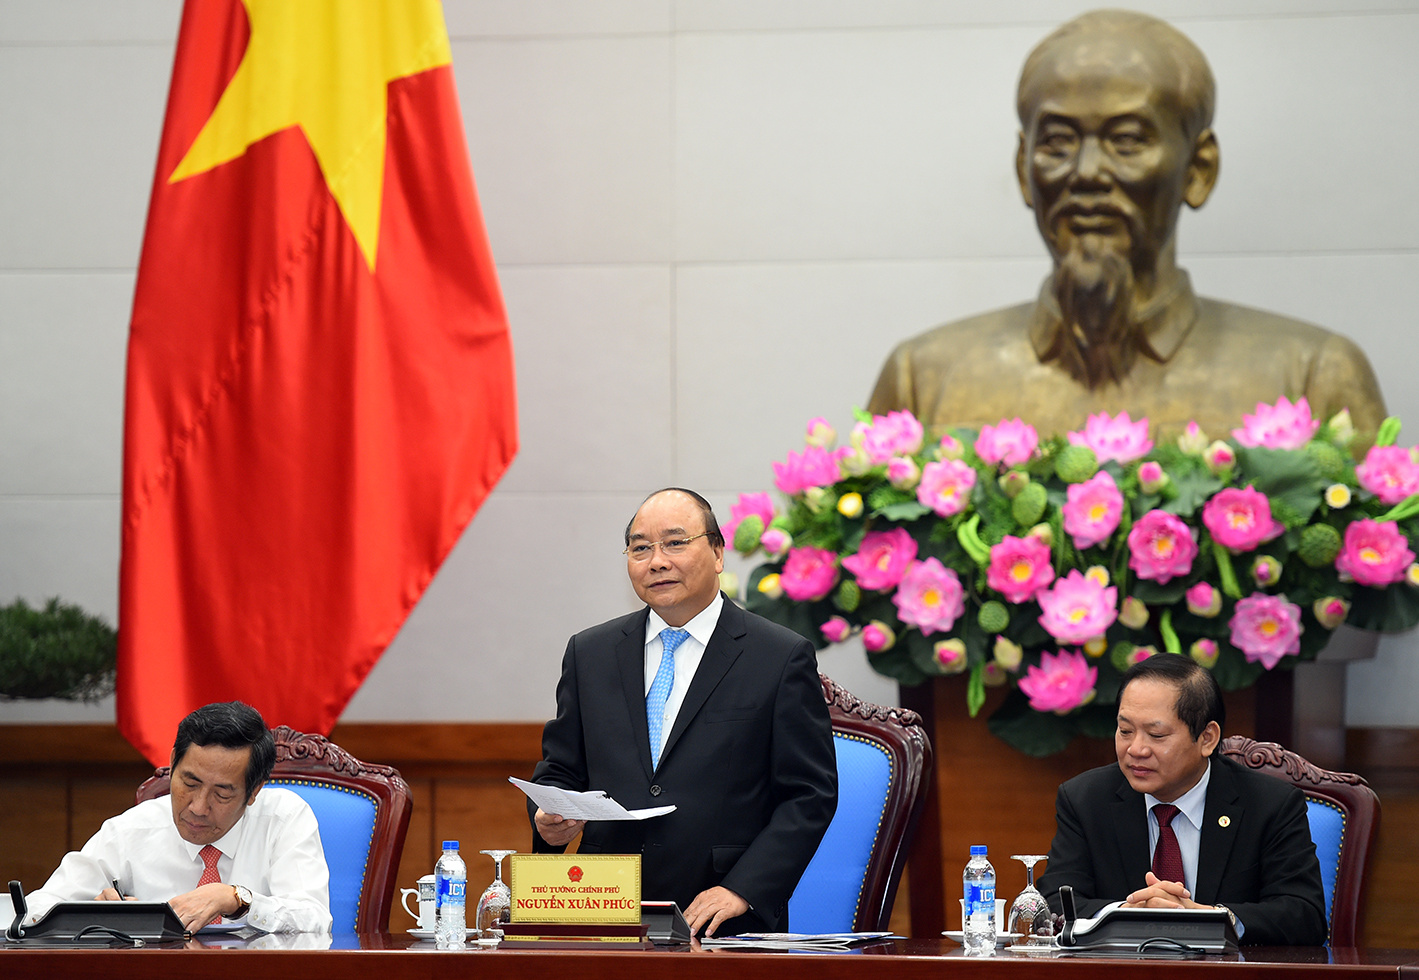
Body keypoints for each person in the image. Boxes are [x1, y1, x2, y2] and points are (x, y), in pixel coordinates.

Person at [868, 9, 1385, 444]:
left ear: (1198, 170)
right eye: (1058, 142)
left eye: (1128, 139)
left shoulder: (1310, 378)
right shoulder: (925, 380)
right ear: (1023, 169)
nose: (1087, 172)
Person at [529, 488, 838, 938]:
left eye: (675, 542)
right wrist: (549, 821)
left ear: (717, 552)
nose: (656, 561)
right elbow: (560, 769)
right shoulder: (589, 653)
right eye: (640, 548)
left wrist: (742, 889)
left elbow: (810, 795)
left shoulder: (778, 656)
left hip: (723, 920)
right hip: (604, 911)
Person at [1036, 653, 1326, 945]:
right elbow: (1053, 903)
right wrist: (1125, 913)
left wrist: (1212, 918)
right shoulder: (1086, 800)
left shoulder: (1270, 804)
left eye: (1156, 734)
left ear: (1207, 738)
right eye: (1125, 731)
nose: (1135, 749)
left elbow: (1304, 915)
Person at [25, 701, 331, 934]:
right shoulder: (133, 829)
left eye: (222, 794)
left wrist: (236, 899)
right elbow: (35, 910)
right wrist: (90, 915)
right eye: (189, 783)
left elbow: (314, 919)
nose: (198, 807)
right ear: (172, 763)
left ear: (254, 793)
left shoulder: (283, 819)